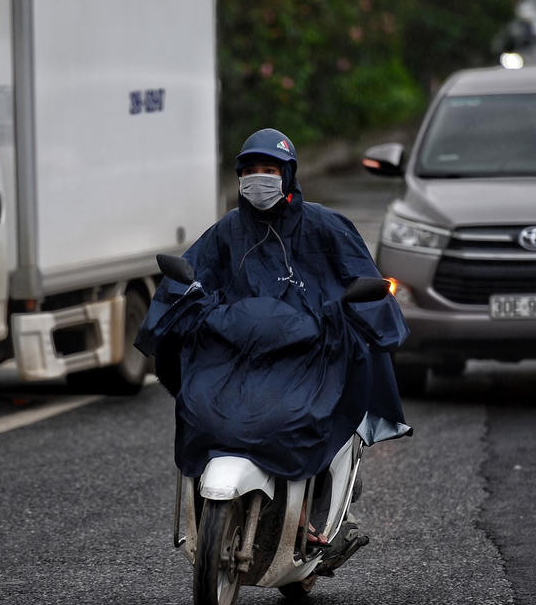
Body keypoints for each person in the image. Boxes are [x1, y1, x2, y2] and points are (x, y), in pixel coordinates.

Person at [136, 127, 411, 545]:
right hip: (238, 355)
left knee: (306, 418)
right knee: (204, 410)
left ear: (288, 173)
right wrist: (184, 299)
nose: (258, 178)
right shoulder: (227, 232)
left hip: (310, 356)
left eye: (269, 169)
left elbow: (365, 282)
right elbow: (192, 276)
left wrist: (348, 312)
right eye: (250, 170)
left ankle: (312, 507)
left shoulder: (326, 227)